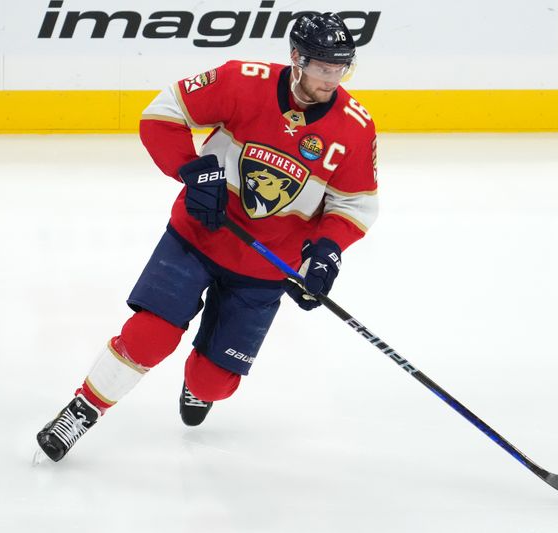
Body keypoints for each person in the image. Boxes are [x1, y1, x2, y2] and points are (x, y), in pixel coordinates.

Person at [35, 12, 379, 462]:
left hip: (266, 263)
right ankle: (82, 410)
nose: (331, 79)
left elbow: (353, 205)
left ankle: (199, 382)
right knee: (150, 333)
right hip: (199, 234)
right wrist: (195, 170)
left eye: (341, 69)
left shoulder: (355, 126)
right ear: (296, 58)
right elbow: (162, 114)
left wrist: (326, 254)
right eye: (321, 68)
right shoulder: (242, 80)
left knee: (213, 382)